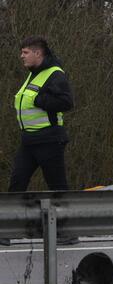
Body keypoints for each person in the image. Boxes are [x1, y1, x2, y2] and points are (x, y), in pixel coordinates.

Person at [1, 37, 74, 246]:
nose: (21, 56)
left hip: (49, 139)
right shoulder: (34, 75)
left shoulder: (54, 74)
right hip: (29, 141)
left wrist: (41, 100)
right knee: (17, 182)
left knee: (57, 186)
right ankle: (7, 230)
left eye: (25, 52)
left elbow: (67, 102)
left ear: (38, 54)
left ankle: (67, 232)